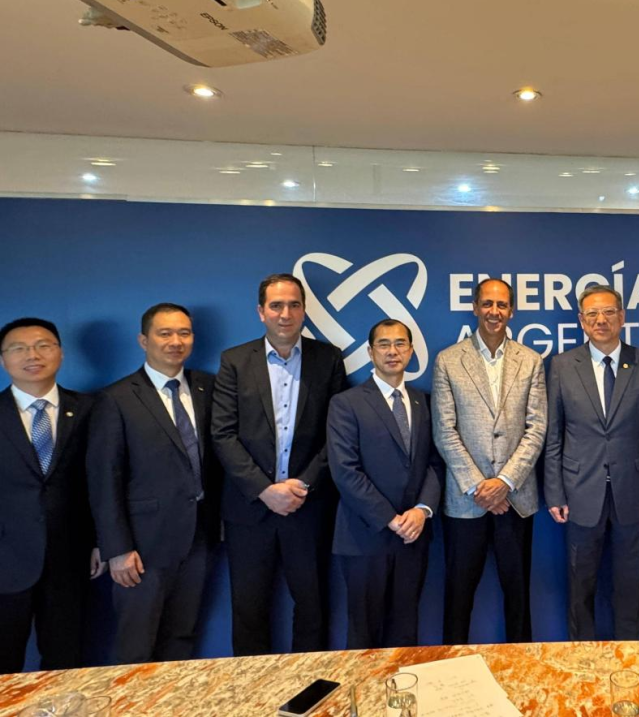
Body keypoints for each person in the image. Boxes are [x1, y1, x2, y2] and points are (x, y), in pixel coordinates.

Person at [212, 273, 346, 655]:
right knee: (249, 611)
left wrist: (302, 485)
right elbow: (223, 434)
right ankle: (255, 688)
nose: (285, 314)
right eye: (276, 306)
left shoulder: (328, 359)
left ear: (304, 310)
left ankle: (311, 684)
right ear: (261, 312)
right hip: (249, 511)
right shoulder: (235, 361)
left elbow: (335, 434)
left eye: (293, 305)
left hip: (307, 507)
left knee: (313, 609)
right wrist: (264, 490)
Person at [88, 303, 221, 663]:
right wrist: (116, 547)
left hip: (198, 539)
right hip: (142, 547)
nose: (176, 341)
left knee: (182, 637)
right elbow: (104, 479)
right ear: (143, 340)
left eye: (184, 333)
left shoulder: (208, 388)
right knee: (137, 644)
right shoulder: (115, 399)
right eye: (165, 333)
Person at [544, 284, 639, 640]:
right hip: (579, 492)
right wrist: (555, 492)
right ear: (582, 321)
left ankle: (628, 655)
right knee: (579, 585)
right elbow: (554, 435)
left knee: (629, 585)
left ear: (622, 317)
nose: (601, 320)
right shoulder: (563, 365)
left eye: (609, 312)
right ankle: (582, 656)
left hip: (634, 491)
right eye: (592, 314)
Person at [431, 277, 547, 644]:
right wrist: (480, 487)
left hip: (515, 499)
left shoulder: (531, 361)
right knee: (458, 597)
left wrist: (504, 483)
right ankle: (451, 667)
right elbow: (444, 430)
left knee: (519, 597)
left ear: (512, 311)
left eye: (501, 305)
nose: (494, 311)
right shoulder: (448, 360)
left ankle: (521, 666)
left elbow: (536, 429)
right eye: (487, 304)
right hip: (467, 501)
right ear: (475, 308)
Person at [327, 319, 442, 649]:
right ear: (370, 352)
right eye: (384, 344)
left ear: (411, 351)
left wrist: (422, 510)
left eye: (400, 343)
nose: (393, 351)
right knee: (364, 637)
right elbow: (345, 471)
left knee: (405, 634)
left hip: (413, 537)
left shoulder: (424, 402)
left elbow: (435, 463)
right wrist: (391, 519)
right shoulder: (346, 403)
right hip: (365, 537)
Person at [0, 317, 102, 673]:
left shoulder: (91, 409)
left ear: (60, 353)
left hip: (70, 558)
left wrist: (99, 541)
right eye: (19, 348)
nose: (33, 355)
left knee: (65, 662)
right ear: (4, 359)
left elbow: (103, 481)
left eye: (43, 345)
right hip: (6, 559)